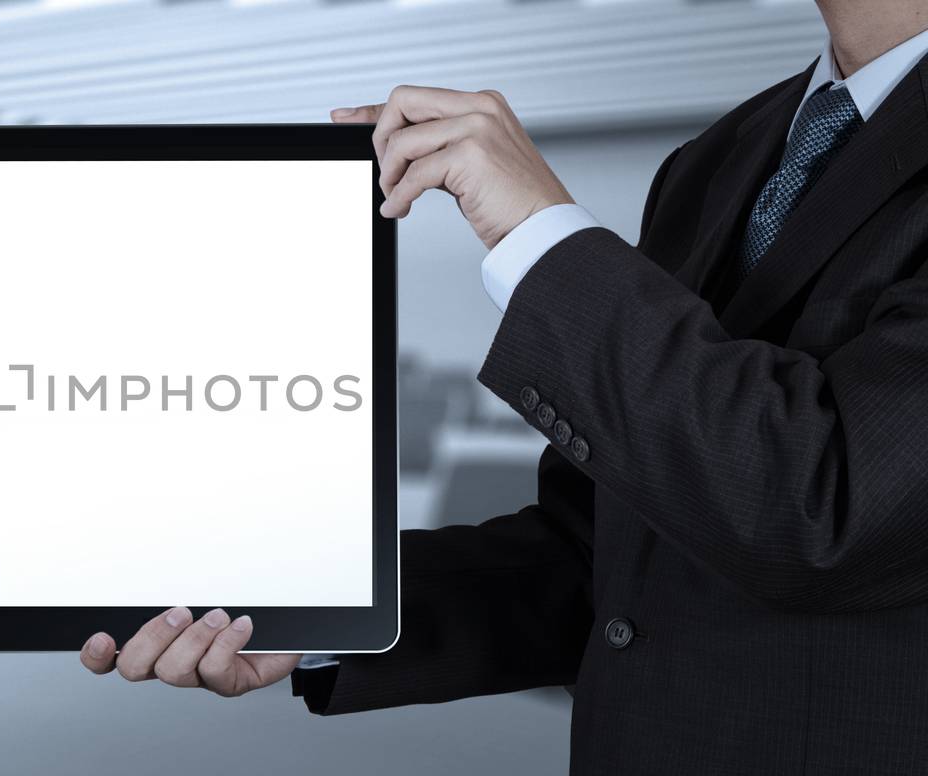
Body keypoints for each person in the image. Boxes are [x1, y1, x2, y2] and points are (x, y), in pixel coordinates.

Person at [76, 1, 928, 772]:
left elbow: (825, 506)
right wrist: (313, 605)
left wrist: (539, 236)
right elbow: (603, 559)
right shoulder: (722, 157)